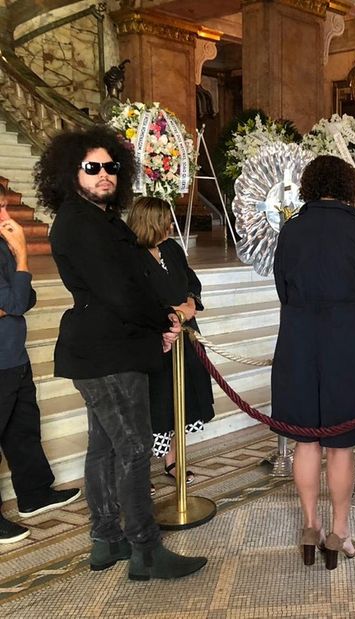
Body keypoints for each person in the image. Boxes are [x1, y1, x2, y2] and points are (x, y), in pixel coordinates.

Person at [35, 126, 206, 580]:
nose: (104, 174)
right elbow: (121, 293)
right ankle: (145, 551)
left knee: (105, 447)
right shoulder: (80, 222)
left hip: (108, 346)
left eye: (111, 166)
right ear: (71, 173)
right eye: (93, 167)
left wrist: (159, 321)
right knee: (132, 450)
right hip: (107, 350)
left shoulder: (100, 219)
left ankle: (106, 539)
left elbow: (131, 284)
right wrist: (164, 322)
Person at [271, 155, 355, 570]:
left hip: (298, 340)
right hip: (348, 343)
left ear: (310, 186)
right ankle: (338, 534)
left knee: (305, 441)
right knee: (341, 447)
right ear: (350, 187)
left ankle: (311, 526)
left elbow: (282, 289)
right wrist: (353, 316)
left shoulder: (291, 230)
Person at [0, 186, 81, 544]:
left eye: (5, 207)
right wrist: (22, 258)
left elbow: (24, 298)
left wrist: (14, 292)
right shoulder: (11, 247)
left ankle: (34, 494)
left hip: (14, 355)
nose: (7, 217)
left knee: (23, 429)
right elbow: (16, 300)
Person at [126, 197, 214, 490]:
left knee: (183, 397)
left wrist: (190, 304)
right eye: (165, 220)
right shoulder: (131, 256)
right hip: (155, 341)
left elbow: (191, 280)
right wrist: (174, 313)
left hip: (186, 337)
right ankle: (138, 472)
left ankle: (173, 459)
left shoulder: (172, 248)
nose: (169, 225)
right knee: (154, 403)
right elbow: (138, 300)